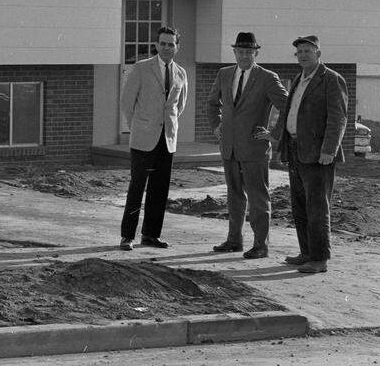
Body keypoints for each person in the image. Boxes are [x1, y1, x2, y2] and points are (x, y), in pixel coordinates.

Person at [206, 32, 288, 259]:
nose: (244, 56)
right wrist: (216, 125)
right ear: (234, 52)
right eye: (240, 51)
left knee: (258, 197)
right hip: (229, 146)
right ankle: (234, 240)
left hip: (254, 148)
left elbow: (287, 105)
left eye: (249, 52)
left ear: (256, 53)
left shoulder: (267, 78)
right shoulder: (224, 74)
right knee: (234, 195)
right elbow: (212, 103)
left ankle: (261, 245)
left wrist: (273, 134)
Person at [270, 35, 348, 274]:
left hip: (318, 154)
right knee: (300, 205)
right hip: (296, 149)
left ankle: (319, 259)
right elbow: (289, 112)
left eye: (308, 51)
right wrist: (277, 139)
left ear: (318, 54)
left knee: (317, 207)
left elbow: (338, 118)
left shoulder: (331, 79)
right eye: (300, 52)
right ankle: (306, 253)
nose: (303, 55)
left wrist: (329, 150)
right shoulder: (298, 79)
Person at [118, 25, 187, 250]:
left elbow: (179, 106)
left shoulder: (181, 73)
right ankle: (127, 236)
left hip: (167, 139)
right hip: (143, 139)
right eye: (163, 43)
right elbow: (127, 103)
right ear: (156, 45)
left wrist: (167, 127)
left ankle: (150, 235)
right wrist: (139, 126)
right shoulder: (141, 68)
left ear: (177, 47)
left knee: (160, 189)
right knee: (137, 187)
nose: (166, 48)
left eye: (171, 44)